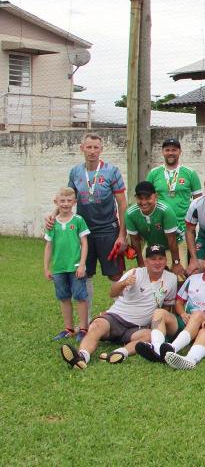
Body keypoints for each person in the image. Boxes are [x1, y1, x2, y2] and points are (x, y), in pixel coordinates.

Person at [60, 245, 178, 369]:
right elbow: (112, 293)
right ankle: (82, 356)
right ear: (146, 261)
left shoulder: (171, 279)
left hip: (137, 328)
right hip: (116, 318)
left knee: (150, 336)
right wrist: (124, 283)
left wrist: (154, 323)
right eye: (153, 259)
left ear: (166, 261)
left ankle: (119, 353)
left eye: (160, 258)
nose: (157, 262)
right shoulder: (135, 272)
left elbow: (166, 307)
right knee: (96, 325)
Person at [59, 133, 128, 315]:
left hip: (108, 230)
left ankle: (121, 315)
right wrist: (53, 215)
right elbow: (68, 198)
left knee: (115, 274)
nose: (92, 151)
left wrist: (122, 234)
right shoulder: (75, 172)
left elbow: (122, 203)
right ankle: (86, 321)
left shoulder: (112, 171)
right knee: (85, 274)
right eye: (88, 147)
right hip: (84, 233)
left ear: (101, 149)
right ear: (82, 148)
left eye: (95, 147)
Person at [134, 249, 205, 363]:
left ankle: (172, 348)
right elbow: (179, 302)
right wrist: (182, 313)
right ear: (204, 263)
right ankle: (157, 349)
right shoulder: (192, 279)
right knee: (159, 313)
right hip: (187, 322)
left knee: (198, 315)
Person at [44, 187, 90, 342]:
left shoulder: (78, 220)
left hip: (75, 266)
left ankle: (83, 329)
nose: (65, 204)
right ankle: (68, 328)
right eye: (62, 201)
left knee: (80, 296)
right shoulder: (52, 223)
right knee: (64, 297)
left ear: (74, 202)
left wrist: (82, 264)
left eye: (69, 201)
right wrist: (46, 267)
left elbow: (84, 243)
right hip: (59, 268)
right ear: (56, 202)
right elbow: (49, 246)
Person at [145, 138, 202, 237]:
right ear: (162, 152)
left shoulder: (190, 173)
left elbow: (198, 201)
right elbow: (145, 199)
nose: (170, 153)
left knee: (182, 253)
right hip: (159, 225)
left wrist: (194, 224)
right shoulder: (153, 173)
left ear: (180, 152)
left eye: (174, 150)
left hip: (184, 227)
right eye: (167, 150)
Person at [124, 181, 183, 276]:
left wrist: (176, 263)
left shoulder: (165, 210)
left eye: (148, 198)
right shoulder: (130, 213)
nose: (143, 202)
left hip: (177, 242)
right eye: (140, 198)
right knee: (146, 275)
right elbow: (135, 240)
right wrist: (141, 264)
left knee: (178, 276)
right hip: (153, 244)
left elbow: (172, 240)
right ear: (135, 198)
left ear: (155, 196)